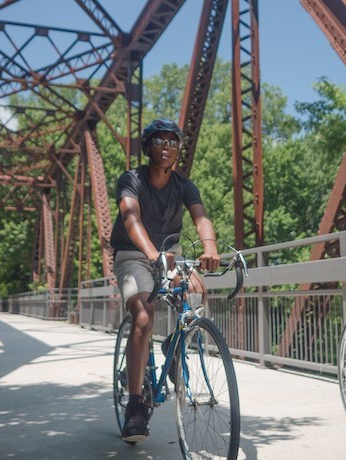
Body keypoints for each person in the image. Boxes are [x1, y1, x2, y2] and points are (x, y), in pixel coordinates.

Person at [110, 118, 221, 443]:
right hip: (133, 253)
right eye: (159, 141)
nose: (166, 147)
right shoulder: (131, 179)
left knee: (198, 293)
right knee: (143, 317)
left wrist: (210, 248)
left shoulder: (184, 184)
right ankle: (135, 404)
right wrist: (150, 253)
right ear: (148, 147)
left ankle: (175, 347)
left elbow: (201, 218)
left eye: (173, 142)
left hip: (169, 251)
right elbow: (131, 217)